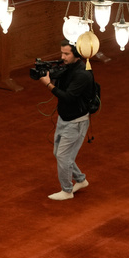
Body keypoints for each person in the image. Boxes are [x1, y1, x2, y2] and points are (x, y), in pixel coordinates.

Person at [39, 39, 94, 201]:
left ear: (76, 54)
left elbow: (68, 97)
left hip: (76, 122)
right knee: (59, 153)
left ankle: (67, 191)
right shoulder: (68, 67)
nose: (62, 57)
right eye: (62, 53)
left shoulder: (82, 74)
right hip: (65, 118)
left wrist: (48, 85)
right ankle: (81, 180)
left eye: (66, 54)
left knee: (63, 156)